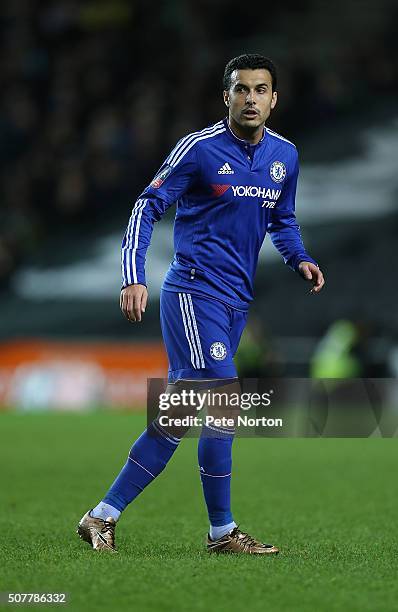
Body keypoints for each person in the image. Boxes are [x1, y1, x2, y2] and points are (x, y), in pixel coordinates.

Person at [77, 53, 325, 554]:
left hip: (236, 301)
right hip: (193, 291)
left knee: (176, 418)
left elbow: (283, 217)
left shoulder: (286, 156)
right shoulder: (199, 149)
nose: (250, 98)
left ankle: (101, 517)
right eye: (241, 89)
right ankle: (222, 532)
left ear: (274, 99)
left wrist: (299, 257)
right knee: (224, 401)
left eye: (260, 90)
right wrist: (132, 276)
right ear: (226, 96)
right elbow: (147, 205)